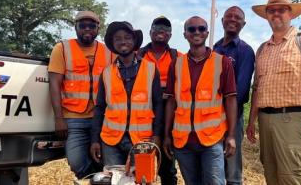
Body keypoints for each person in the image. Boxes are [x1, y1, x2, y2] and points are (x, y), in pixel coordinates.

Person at [246, 0, 301, 185]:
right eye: (271, 11)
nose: (276, 14)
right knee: (270, 171)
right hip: (265, 120)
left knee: (291, 175)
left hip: (293, 119)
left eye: (281, 10)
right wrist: (251, 121)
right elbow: (257, 88)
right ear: (267, 16)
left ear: (290, 14)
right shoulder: (262, 49)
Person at [163, 16, 238, 185]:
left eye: (201, 29)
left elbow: (231, 99)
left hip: (212, 138)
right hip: (183, 141)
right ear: (185, 34)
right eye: (191, 29)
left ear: (207, 33)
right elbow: (171, 102)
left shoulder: (222, 63)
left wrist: (231, 135)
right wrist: (167, 135)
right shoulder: (176, 64)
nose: (196, 32)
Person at [47, 10, 114, 179]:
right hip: (73, 119)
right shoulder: (62, 48)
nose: (87, 29)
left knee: (103, 159)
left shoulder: (109, 52)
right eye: (82, 25)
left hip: (102, 118)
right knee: (76, 161)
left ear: (98, 28)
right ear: (75, 27)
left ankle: (97, 179)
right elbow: (54, 84)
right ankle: (94, 179)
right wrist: (59, 118)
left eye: (91, 26)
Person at [90, 21, 163, 167]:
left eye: (128, 37)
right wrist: (94, 140)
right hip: (111, 141)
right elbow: (99, 108)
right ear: (112, 43)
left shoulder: (151, 69)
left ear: (134, 41)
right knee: (114, 180)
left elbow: (158, 104)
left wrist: (156, 135)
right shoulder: (106, 72)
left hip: (142, 140)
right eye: (117, 38)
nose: (123, 41)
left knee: (142, 180)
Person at [213, 6, 255, 185]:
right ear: (222, 21)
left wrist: (225, 114)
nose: (233, 19)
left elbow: (241, 90)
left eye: (237, 17)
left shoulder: (245, 51)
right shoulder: (213, 48)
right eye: (229, 16)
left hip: (232, 117)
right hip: (210, 119)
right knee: (214, 167)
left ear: (243, 24)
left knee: (232, 169)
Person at [137, 16, 181, 185]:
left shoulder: (178, 56)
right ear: (150, 32)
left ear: (170, 35)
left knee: (168, 167)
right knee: (140, 165)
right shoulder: (137, 55)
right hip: (143, 118)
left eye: (165, 29)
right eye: (157, 27)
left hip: (168, 118)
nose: (161, 31)